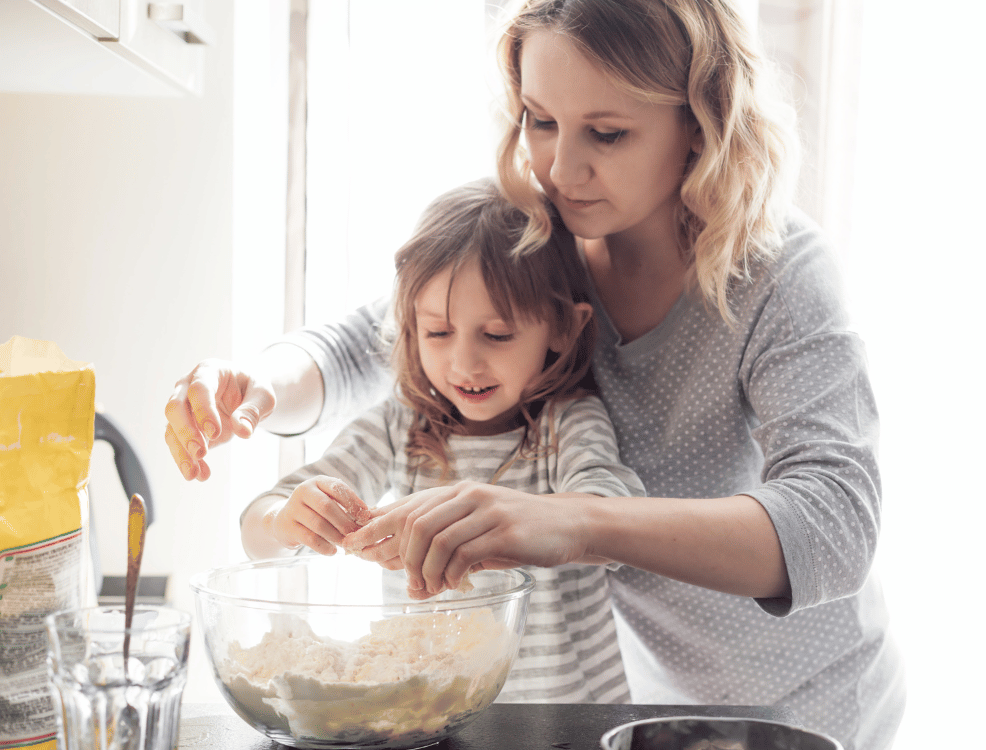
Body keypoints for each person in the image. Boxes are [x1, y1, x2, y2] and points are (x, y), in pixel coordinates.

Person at [164, 1, 905, 747]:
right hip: (647, 704)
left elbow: (834, 523)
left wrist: (568, 521)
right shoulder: (545, 238)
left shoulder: (777, 272)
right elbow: (366, 341)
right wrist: (253, 388)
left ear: (701, 124)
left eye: (607, 134)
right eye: (539, 120)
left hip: (807, 703)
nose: (559, 168)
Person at [238, 178, 644, 705]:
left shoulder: (565, 426)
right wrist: (285, 518)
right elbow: (257, 530)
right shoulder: (397, 428)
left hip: (567, 722)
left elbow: (614, 518)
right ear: (409, 328)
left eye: (496, 335)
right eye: (437, 332)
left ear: (563, 328)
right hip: (431, 715)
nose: (464, 363)